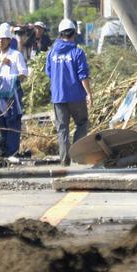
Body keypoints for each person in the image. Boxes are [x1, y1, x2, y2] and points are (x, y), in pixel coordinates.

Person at [46, 18, 91, 166]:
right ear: (74, 34)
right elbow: (83, 75)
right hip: (76, 96)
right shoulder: (77, 52)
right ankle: (77, 154)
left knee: (62, 129)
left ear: (60, 34)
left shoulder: (51, 53)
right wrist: (89, 93)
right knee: (82, 123)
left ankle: (64, 160)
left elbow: (49, 72)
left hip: (58, 97)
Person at [0, 22, 28, 157]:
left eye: (2, 39)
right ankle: (4, 151)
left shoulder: (16, 55)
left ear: (9, 40)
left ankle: (12, 152)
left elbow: (24, 74)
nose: (0, 42)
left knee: (13, 122)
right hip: (1, 95)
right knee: (3, 122)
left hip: (13, 94)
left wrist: (11, 78)